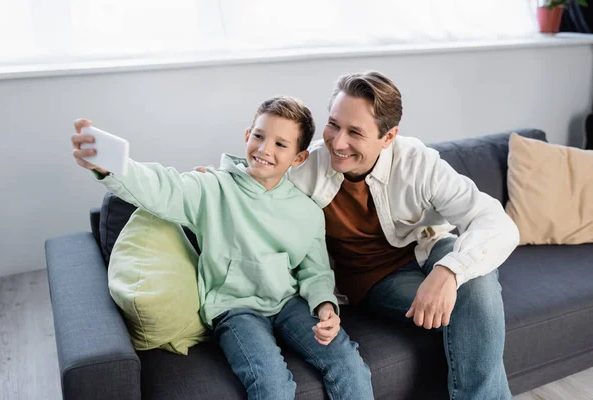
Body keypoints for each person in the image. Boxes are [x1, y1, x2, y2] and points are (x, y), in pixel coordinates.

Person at [70, 96, 374, 400]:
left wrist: (325, 307)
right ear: (247, 136)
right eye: (259, 136)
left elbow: (316, 271)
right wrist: (112, 167)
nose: (265, 149)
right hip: (235, 308)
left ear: (298, 157)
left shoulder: (307, 212)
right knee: (273, 385)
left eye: (281, 144)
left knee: (350, 366)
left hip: (289, 303)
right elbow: (161, 186)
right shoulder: (211, 187)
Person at [286, 71, 519, 400]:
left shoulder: (417, 162)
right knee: (475, 308)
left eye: (355, 132)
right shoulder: (305, 169)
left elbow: (494, 220)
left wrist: (450, 270)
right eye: (333, 124)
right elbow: (257, 172)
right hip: (375, 279)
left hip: (431, 249)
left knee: (475, 282)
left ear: (388, 136)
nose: (337, 142)